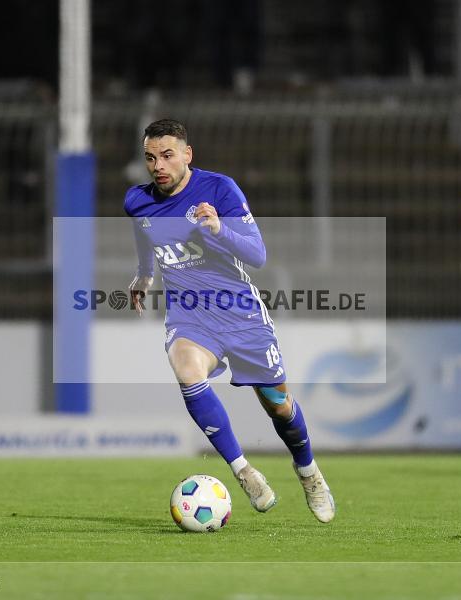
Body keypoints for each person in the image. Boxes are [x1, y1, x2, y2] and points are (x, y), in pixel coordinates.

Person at [124, 119, 335, 522]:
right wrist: (145, 273)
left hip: (240, 312)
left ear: (188, 155)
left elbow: (257, 255)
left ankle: (308, 472)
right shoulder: (137, 200)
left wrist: (219, 229)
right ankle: (244, 472)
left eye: (167, 155)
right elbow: (143, 231)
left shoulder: (220, 190)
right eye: (151, 158)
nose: (158, 165)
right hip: (189, 313)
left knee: (278, 405)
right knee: (187, 372)